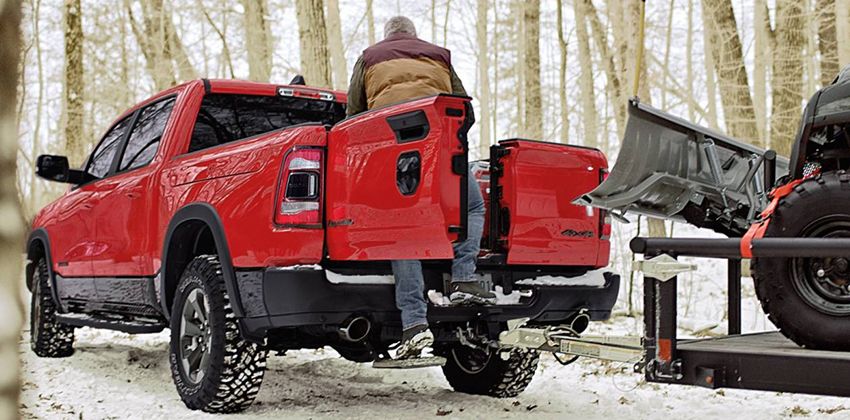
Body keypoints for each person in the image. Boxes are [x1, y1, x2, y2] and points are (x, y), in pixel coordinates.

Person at [347, 16, 494, 359]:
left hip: (393, 153)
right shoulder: (439, 55)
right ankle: (463, 279)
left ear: (388, 36)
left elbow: (354, 114)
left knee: (404, 228)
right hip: (441, 149)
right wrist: (452, 143)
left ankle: (414, 324)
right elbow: (464, 108)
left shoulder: (369, 57)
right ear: (414, 36)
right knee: (472, 206)